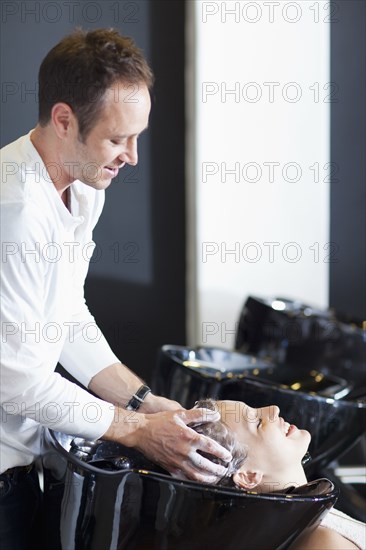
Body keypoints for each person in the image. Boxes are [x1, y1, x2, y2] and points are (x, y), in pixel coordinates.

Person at [0, 28, 231, 549]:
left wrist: (145, 402)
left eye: (138, 136)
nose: (132, 156)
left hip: (22, 458)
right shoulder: (14, 212)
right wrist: (137, 431)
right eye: (116, 138)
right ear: (64, 120)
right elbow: (17, 382)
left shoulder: (82, 188)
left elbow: (66, 315)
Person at [190, 398, 366, 550]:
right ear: (248, 476)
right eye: (258, 423)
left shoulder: (314, 527)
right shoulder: (320, 543)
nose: (274, 409)